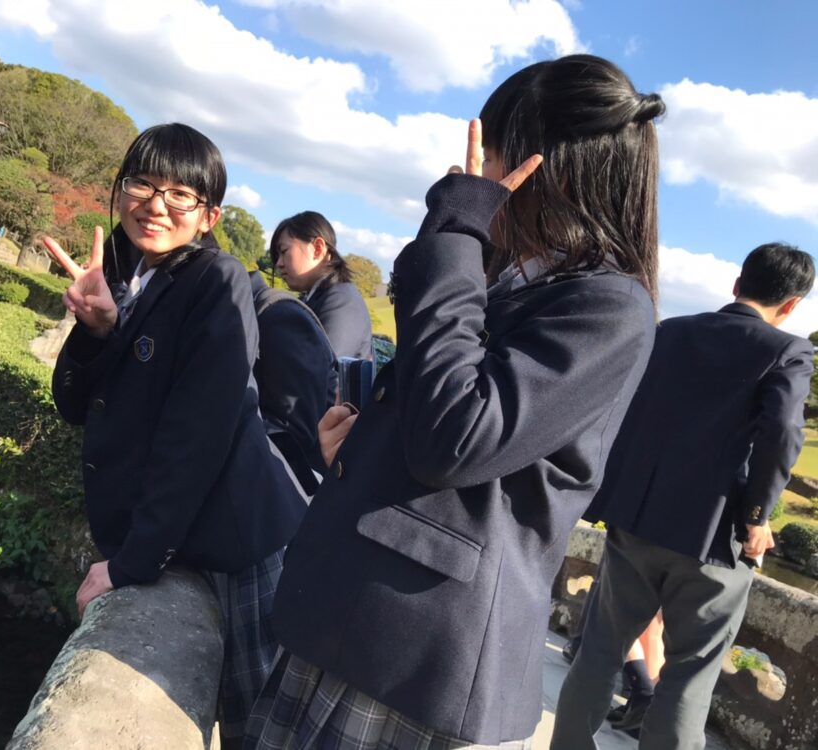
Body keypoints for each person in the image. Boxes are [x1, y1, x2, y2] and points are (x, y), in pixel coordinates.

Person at [243, 54, 663, 749]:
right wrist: (368, 437)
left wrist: (458, 232)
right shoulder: (517, 277)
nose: (480, 173)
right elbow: (448, 404)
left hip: (419, 643)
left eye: (494, 153)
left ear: (548, 168)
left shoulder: (610, 306)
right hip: (360, 609)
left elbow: (456, 438)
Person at [43, 123, 307, 748]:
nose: (156, 205)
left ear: (209, 215)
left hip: (241, 543)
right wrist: (96, 331)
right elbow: (73, 405)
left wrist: (131, 564)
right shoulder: (124, 274)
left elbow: (198, 435)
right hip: (192, 538)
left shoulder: (216, 281)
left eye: (181, 194)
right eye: (142, 184)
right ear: (120, 190)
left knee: (256, 726)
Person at [551, 242, 815, 750]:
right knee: (690, 674)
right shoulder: (788, 350)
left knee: (599, 653)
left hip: (637, 521)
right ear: (792, 305)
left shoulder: (670, 332)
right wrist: (757, 516)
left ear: (737, 284)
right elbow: (783, 431)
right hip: (715, 537)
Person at [249, 268, 337, 494]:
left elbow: (295, 436)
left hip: (292, 494)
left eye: (284, 252)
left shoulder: (279, 316)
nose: (279, 264)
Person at [270, 210, 374, 360]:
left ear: (318, 248)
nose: (279, 264)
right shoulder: (318, 297)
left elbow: (321, 367)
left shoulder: (341, 301)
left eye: (284, 251)